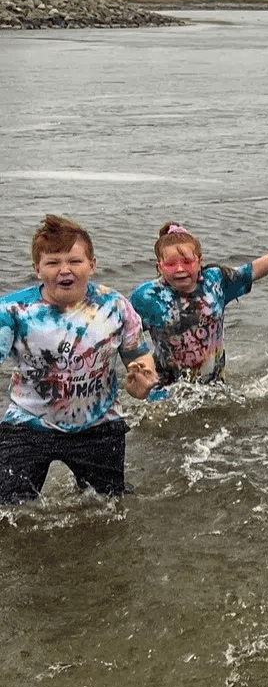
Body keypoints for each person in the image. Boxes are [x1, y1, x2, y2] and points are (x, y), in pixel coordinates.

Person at [0, 215, 158, 504]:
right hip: (27, 424)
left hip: (98, 426)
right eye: (52, 263)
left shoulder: (115, 307)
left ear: (92, 265)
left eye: (74, 261)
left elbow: (139, 357)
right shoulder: (12, 312)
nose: (64, 270)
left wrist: (142, 384)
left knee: (109, 508)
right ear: (38, 269)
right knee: (9, 512)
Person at [131, 222, 268, 395]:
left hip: (214, 388)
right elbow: (122, 332)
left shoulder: (214, 282)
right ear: (159, 266)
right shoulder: (147, 296)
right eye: (170, 264)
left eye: (187, 262)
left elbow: (254, 270)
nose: (180, 269)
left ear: (199, 261)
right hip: (167, 391)